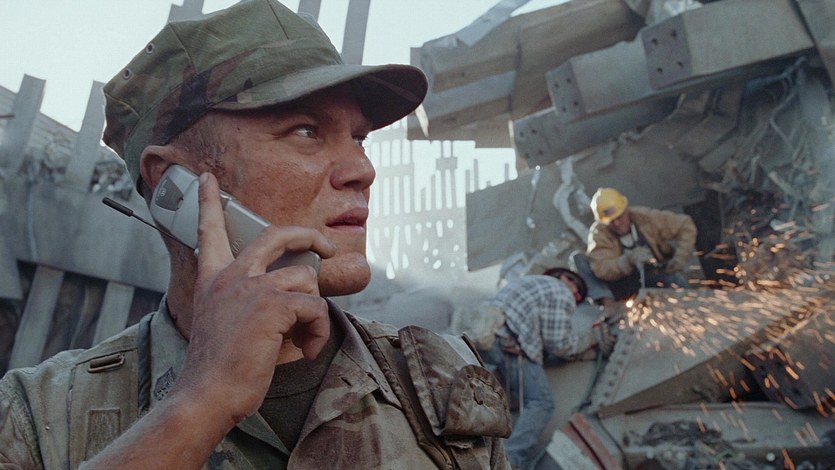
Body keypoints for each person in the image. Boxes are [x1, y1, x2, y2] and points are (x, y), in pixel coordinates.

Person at [0, 1, 511, 468]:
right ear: (172, 184)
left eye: (358, 138)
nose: (362, 169)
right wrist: (202, 401)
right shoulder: (38, 416)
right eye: (306, 131)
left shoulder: (445, 383)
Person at [473, 268, 613, 470]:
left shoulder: (528, 283)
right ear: (562, 278)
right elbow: (560, 345)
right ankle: (511, 461)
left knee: (510, 397)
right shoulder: (560, 291)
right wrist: (592, 338)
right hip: (507, 341)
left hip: (485, 334)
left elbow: (544, 344)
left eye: (578, 295)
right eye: (575, 288)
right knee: (541, 401)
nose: (575, 295)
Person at [571, 187, 697, 313]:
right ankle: (610, 306)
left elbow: (685, 225)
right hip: (620, 287)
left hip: (654, 277)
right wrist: (626, 261)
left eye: (619, 217)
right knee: (578, 258)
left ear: (626, 210)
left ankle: (692, 309)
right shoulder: (598, 234)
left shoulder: (645, 217)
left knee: (677, 281)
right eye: (611, 221)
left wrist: (680, 257)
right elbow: (601, 268)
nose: (617, 223)